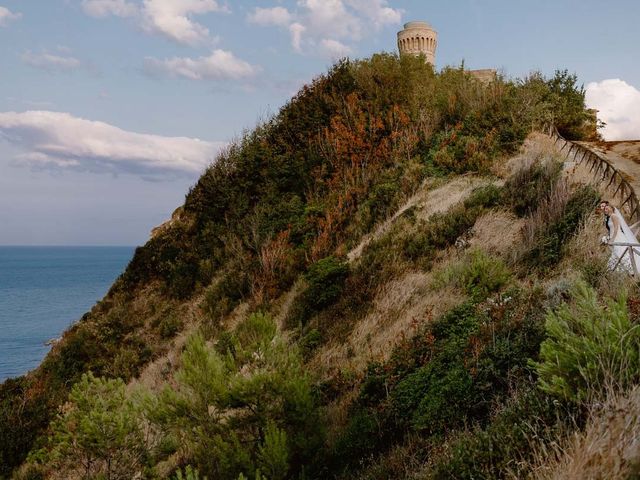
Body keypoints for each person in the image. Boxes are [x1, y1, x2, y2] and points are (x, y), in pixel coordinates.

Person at [599, 200, 640, 274]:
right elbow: (610, 229)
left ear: (611, 208)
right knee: (616, 253)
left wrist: (612, 239)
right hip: (612, 236)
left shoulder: (614, 216)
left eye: (607, 208)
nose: (606, 210)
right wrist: (608, 237)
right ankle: (619, 270)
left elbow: (616, 228)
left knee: (621, 251)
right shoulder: (609, 217)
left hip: (617, 236)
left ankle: (628, 270)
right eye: (605, 209)